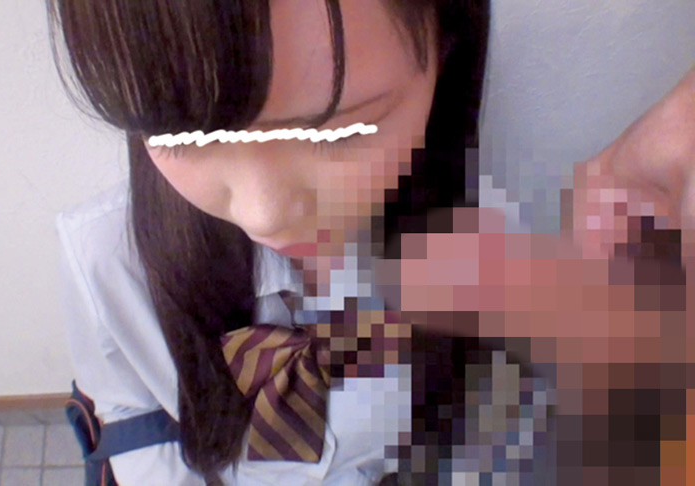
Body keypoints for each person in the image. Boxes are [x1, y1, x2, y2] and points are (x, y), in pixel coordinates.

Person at [48, 0, 694, 484]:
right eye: (182, 135)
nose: (266, 213)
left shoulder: (491, 234)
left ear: (445, 45)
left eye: (340, 132)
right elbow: (128, 410)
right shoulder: (105, 259)